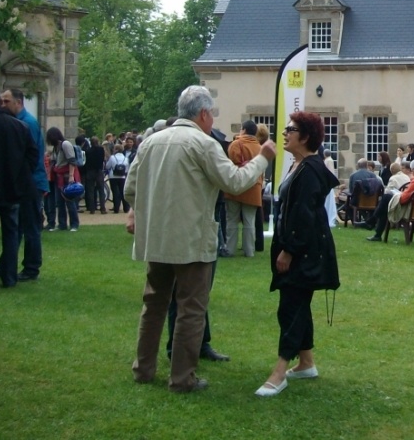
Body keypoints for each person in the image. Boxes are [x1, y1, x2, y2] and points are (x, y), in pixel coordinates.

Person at [126, 86, 275, 393]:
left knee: (154, 304)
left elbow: (130, 188)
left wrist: (147, 209)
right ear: (204, 114)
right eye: (212, 115)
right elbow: (234, 181)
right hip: (192, 239)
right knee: (191, 308)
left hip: (157, 238)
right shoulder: (203, 143)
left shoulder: (150, 142)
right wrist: (262, 159)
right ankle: (182, 378)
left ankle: (143, 369)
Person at [256, 111, 340, 397]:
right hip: (300, 248)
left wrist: (289, 251)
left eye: (290, 129)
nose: (284, 133)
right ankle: (306, 363)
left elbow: (304, 216)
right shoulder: (299, 165)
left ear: (304, 137)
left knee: (292, 307)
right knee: (295, 303)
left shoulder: (310, 170)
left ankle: (279, 372)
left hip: (304, 252)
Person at [0, 90, 40, 288]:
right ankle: (9, 277)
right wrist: (19, 176)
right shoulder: (20, 126)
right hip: (12, 187)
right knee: (11, 233)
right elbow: (33, 156)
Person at [0, 88, 48, 282]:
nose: (3, 104)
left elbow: (32, 158)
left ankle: (31, 267)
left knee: (30, 227)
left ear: (18, 102)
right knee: (16, 226)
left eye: (6, 101)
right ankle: (6, 264)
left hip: (31, 183)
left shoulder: (27, 123)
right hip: (26, 181)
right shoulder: (21, 122)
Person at [366, 159, 414, 241]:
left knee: (386, 198)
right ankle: (373, 225)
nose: (411, 172)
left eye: (412, 170)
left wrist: (399, 194)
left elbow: (403, 200)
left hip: (409, 211)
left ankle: (373, 224)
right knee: (386, 202)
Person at [223, 120, 263, 258]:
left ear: (244, 130)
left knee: (232, 220)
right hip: (254, 187)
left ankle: (230, 249)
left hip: (236, 185)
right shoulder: (260, 147)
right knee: (249, 221)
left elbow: (232, 164)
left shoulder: (236, 144)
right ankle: (249, 251)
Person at [45, 127, 80, 232]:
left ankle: (74, 224)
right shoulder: (57, 147)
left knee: (69, 201)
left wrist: (71, 176)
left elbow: (72, 161)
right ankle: (62, 224)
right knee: (59, 202)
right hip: (59, 176)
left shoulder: (65, 144)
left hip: (66, 176)